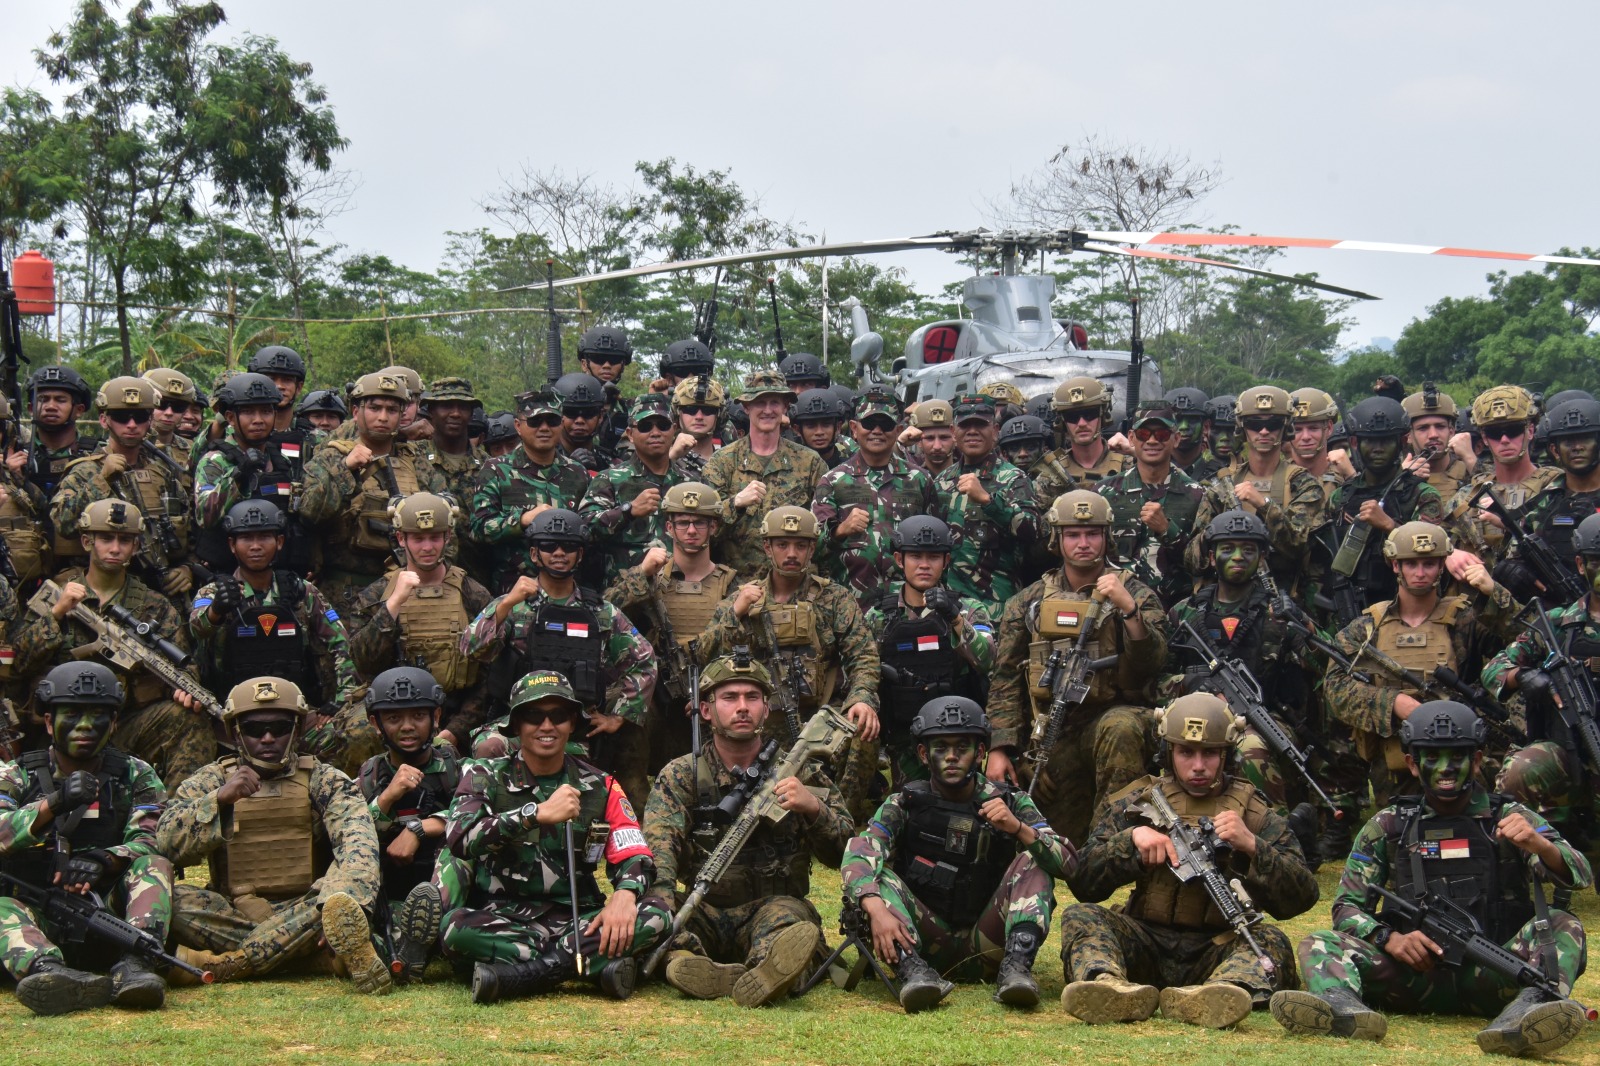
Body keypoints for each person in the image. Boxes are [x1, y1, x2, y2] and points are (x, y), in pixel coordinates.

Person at [1272, 700, 1591, 1058]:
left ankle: (1529, 1014)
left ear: (1476, 759)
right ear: (1412, 762)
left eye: (1457, 756)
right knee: (1318, 942)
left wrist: (1538, 843)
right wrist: (1388, 938)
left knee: (1564, 925)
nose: (1445, 768)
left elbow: (1580, 874)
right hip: (1411, 977)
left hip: (1498, 973)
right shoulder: (1388, 825)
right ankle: (1344, 1010)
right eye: (1432, 756)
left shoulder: (1510, 817)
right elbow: (1346, 907)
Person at [1060, 694, 1318, 1028]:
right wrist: (1130, 843)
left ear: (1226, 754)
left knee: (1272, 941)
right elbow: (1083, 881)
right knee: (1081, 917)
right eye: (1186, 752)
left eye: (1210, 753)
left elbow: (1302, 897)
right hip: (1144, 941)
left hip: (1216, 948)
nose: (1198, 765)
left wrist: (1253, 847)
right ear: (1169, 752)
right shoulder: (1139, 801)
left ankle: (1220, 993)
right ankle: (1108, 987)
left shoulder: (1254, 813)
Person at [440, 670, 666, 1003]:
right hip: (504, 918)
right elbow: (460, 837)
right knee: (455, 928)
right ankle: (590, 967)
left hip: (579, 921)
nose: (547, 726)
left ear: (572, 723)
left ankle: (525, 975)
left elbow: (633, 850)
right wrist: (533, 814)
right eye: (534, 716)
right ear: (516, 725)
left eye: (558, 716)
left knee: (658, 914)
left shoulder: (600, 784)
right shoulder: (483, 774)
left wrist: (626, 895)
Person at [841, 696, 1077, 1012]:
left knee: (1033, 860)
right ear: (924, 754)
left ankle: (1017, 969)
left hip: (988, 944)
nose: (951, 757)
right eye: (940, 748)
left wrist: (1018, 828)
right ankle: (912, 974)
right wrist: (874, 907)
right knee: (877, 876)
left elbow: (1070, 863)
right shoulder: (905, 803)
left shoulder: (1011, 801)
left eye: (962, 748)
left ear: (980, 752)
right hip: (924, 945)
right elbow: (860, 852)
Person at [157, 676, 390, 993]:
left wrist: (342, 904)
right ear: (236, 732)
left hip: (307, 908)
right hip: (234, 914)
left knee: (339, 897)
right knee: (171, 901)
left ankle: (231, 964)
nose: (267, 739)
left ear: (296, 730)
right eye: (254, 730)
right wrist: (219, 800)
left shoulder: (325, 779)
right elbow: (166, 841)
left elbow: (357, 847)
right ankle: (316, 959)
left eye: (279, 728)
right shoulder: (211, 779)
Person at [642, 653, 852, 1007]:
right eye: (729, 697)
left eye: (752, 698)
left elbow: (845, 854)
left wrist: (813, 808)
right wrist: (662, 912)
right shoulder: (682, 775)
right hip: (704, 907)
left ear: (766, 709)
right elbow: (659, 849)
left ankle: (766, 968)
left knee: (789, 928)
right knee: (651, 917)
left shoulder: (802, 772)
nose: (743, 707)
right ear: (706, 711)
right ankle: (688, 962)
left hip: (774, 905)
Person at [988, 490, 1166, 844]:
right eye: (1073, 534)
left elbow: (1154, 664)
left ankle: (1112, 844)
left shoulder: (1136, 593)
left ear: (1107, 537)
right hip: (1056, 731)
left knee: (1121, 727)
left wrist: (1128, 610)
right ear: (1058, 538)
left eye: (1093, 534)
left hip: (1114, 720)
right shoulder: (1029, 601)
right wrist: (1003, 748)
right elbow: (1006, 679)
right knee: (1057, 832)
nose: (1083, 543)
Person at [0, 662, 173, 1015]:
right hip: (34, 917)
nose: (84, 727)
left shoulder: (135, 774)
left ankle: (135, 967)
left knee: (155, 864)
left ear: (113, 724)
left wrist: (104, 859)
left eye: (97, 716)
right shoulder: (15, 776)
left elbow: (152, 838)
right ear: (49, 722)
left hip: (106, 915)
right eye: (71, 714)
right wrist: (53, 804)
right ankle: (51, 975)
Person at [12, 499, 212, 791]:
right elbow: (19, 660)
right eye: (105, 539)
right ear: (86, 541)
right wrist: (56, 614)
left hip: (126, 722)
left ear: (135, 546)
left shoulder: (153, 606)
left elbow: (184, 668)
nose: (115, 548)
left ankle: (174, 817)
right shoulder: (57, 595)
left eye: (125, 540)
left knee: (189, 718)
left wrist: (184, 691)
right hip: (62, 727)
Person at [461, 508, 656, 806]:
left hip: (575, 728)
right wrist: (507, 603)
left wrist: (619, 716)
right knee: (489, 748)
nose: (559, 553)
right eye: (550, 546)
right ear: (535, 553)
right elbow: (471, 649)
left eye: (568, 547)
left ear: (580, 555)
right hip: (518, 722)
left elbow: (643, 660)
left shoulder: (600, 611)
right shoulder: (513, 605)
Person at [697, 506, 881, 821]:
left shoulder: (833, 598)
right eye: (782, 545)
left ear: (812, 548)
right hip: (759, 719)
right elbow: (704, 655)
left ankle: (836, 819)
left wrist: (862, 699)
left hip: (818, 716)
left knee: (863, 729)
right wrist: (735, 614)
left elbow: (863, 655)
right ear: (768, 547)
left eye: (800, 545)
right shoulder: (743, 597)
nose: (791, 553)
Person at [1323, 522, 1521, 807]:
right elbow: (1335, 687)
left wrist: (1496, 595)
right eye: (1411, 563)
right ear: (1395, 566)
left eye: (1429, 563)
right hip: (1396, 764)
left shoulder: (1466, 619)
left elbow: (1527, 641)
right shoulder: (1368, 628)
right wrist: (1392, 703)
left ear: (1442, 565)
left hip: (1462, 753)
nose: (1420, 573)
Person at [187, 500, 363, 774]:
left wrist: (342, 698)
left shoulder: (302, 592)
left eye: (264, 537)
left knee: (356, 732)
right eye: (246, 538)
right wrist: (217, 610)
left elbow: (341, 642)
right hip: (231, 721)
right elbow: (197, 630)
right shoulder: (213, 593)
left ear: (279, 542)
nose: (255, 546)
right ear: (232, 545)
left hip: (295, 717)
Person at [1481, 509, 1600, 850]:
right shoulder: (1557, 624)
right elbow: (1492, 670)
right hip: (1568, 747)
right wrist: (1525, 676)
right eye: (1596, 560)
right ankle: (1511, 867)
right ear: (1580, 564)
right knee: (1519, 770)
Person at [606, 482, 739, 772]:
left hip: (713, 688)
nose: (691, 531)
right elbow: (604, 613)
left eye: (700, 523)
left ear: (714, 527)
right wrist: (641, 573)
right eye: (683, 523)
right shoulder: (649, 577)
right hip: (656, 691)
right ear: (669, 527)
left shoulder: (733, 584)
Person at [349, 492, 492, 753]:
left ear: (447, 537)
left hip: (455, 712)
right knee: (358, 735)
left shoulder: (472, 594)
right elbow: (363, 662)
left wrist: (457, 730)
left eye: (435, 537)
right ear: (402, 538)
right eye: (418, 538)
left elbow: (490, 674)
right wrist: (393, 605)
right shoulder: (377, 594)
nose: (427, 547)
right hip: (394, 711)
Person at [300, 371, 447, 616]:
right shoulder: (330, 456)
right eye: (375, 408)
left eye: (392, 410)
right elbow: (311, 514)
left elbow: (446, 520)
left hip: (407, 588)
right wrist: (346, 470)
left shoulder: (416, 461)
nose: (383, 417)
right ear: (356, 412)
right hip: (345, 592)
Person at [862, 516, 995, 785]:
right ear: (899, 560)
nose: (924, 564)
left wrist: (954, 617)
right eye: (915, 556)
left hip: (958, 734)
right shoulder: (879, 616)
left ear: (946, 562)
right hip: (901, 737)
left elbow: (987, 660)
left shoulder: (969, 609)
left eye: (934, 557)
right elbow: (862, 672)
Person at [356, 665, 461, 982]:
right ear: (376, 723)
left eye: (418, 716)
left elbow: (474, 818)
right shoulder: (370, 774)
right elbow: (352, 834)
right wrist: (387, 797)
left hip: (440, 884)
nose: (407, 727)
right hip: (391, 887)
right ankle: (389, 947)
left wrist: (419, 829)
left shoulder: (455, 769)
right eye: (393, 718)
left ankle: (413, 944)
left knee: (461, 857)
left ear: (436, 717)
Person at [52, 375, 198, 602]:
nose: (131, 425)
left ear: (150, 421)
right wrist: (103, 480)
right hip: (99, 594)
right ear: (103, 420)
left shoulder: (163, 473)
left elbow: (192, 532)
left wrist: (187, 568)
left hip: (158, 593)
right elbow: (63, 524)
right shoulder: (85, 471)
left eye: (140, 417)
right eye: (121, 417)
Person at [1312, 397, 1442, 624]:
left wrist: (1390, 527)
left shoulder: (1422, 495)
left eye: (1386, 441)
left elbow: (1430, 558)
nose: (1378, 449)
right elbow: (1322, 563)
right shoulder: (1340, 497)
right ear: (1354, 442)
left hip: (1403, 613)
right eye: (1370, 442)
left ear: (1402, 442)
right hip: (1345, 609)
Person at [811, 386, 943, 608]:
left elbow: (939, 545)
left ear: (898, 428)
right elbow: (811, 550)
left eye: (886, 425)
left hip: (908, 606)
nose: (877, 431)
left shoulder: (919, 480)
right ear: (854, 428)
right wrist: (840, 530)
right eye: (870, 424)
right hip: (849, 607)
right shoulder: (832, 482)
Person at [1186, 386, 1327, 593]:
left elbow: (1297, 547)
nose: (1263, 431)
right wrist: (1218, 532)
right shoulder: (1222, 486)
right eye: (1254, 425)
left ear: (1285, 427)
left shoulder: (1304, 485)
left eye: (1273, 424)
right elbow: (1192, 559)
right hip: (1226, 600)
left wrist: (1263, 505)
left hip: (1282, 599)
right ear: (1242, 428)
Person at [701, 370, 827, 582]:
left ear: (785, 407)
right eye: (760, 402)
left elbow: (823, 534)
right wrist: (735, 504)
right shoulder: (722, 462)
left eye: (775, 402)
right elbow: (703, 532)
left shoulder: (810, 463)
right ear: (746, 407)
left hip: (795, 588)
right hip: (737, 587)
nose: (768, 410)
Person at [193, 372, 317, 578]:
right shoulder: (215, 460)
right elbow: (205, 516)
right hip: (229, 576)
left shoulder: (281, 461)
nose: (258, 420)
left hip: (279, 577)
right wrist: (240, 476)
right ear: (232, 418)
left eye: (266, 411)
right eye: (249, 412)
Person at [468, 387, 590, 594]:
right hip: (514, 589)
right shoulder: (496, 470)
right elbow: (479, 529)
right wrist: (522, 520)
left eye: (552, 421)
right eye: (534, 422)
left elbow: (590, 529)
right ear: (518, 426)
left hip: (568, 590)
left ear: (561, 424)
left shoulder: (577, 473)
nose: (544, 428)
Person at [936, 393, 1041, 618]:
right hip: (949, 607)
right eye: (965, 425)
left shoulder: (1014, 478)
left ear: (994, 431)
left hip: (997, 608)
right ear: (954, 433)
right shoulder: (941, 481)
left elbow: (1033, 530)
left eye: (980, 424)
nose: (972, 431)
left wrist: (988, 501)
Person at [1097, 402, 1205, 607]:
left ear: (1176, 439)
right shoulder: (1104, 493)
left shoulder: (1198, 495)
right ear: (1131, 438)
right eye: (1144, 434)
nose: (1153, 441)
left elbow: (1203, 565)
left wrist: (1167, 530)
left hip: (1176, 611)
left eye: (1162, 434)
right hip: (1114, 610)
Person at [578, 391, 689, 586]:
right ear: (630, 434)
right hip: (627, 592)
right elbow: (583, 530)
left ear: (674, 430)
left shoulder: (690, 482)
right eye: (645, 427)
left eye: (662, 426)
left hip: (681, 591)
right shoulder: (610, 479)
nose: (655, 433)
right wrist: (627, 511)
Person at [1033, 377, 1130, 500]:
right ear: (1062, 422)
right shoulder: (1051, 474)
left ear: (1103, 414)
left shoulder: (1128, 467)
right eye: (1072, 417)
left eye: (1090, 414)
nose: (1082, 423)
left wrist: (1135, 451)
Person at [22, 365, 96, 502]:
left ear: (79, 410)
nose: (50, 406)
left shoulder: (98, 454)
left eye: (60, 400)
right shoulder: (19, 456)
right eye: (42, 399)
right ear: (31, 408)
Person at [575, 325, 634, 458]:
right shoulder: (566, 405)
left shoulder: (631, 409)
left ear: (623, 366)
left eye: (614, 360)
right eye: (599, 359)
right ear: (585, 364)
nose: (606, 365)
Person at [667, 374, 725, 478]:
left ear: (719, 415)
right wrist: (671, 458)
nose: (699, 416)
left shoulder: (732, 460)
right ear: (677, 412)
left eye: (708, 410)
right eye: (690, 409)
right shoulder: (658, 455)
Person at [245, 345, 307, 436]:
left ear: (298, 388)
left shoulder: (314, 437)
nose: (279, 386)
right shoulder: (238, 434)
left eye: (287, 379)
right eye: (271, 379)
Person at [791, 389, 854, 469]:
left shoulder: (853, 470)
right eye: (811, 426)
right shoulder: (788, 471)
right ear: (797, 430)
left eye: (826, 425)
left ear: (838, 427)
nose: (819, 432)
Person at [1165, 387, 1212, 477]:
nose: (1183, 427)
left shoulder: (1219, 475)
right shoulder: (1150, 471)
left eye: (1192, 420)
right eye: (1177, 420)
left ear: (1205, 427)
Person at [907, 399, 958, 477]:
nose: (937, 446)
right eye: (929, 438)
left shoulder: (969, 478)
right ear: (918, 441)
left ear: (955, 437)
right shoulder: (910, 477)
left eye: (944, 437)